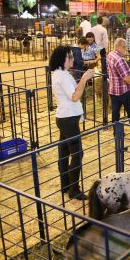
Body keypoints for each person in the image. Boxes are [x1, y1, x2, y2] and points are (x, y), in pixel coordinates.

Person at [49, 46, 95, 200]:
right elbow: (75, 96)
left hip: (64, 117)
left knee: (64, 151)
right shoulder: (61, 76)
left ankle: (65, 184)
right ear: (63, 59)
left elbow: (75, 93)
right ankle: (73, 189)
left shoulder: (59, 74)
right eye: (70, 57)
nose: (73, 59)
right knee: (77, 153)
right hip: (68, 118)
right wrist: (84, 79)